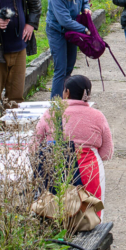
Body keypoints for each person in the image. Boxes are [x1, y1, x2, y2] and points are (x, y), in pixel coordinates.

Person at [35, 75, 113, 214]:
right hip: (90, 171)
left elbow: (35, 145)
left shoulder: (51, 114)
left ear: (67, 92)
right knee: (92, 213)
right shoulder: (98, 116)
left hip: (55, 170)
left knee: (56, 212)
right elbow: (107, 153)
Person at [46, 0, 91, 99]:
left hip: (72, 31)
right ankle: (55, 105)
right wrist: (84, 29)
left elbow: (84, 1)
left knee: (69, 67)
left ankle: (66, 98)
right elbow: (65, 21)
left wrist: (86, 8)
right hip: (57, 32)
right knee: (60, 69)